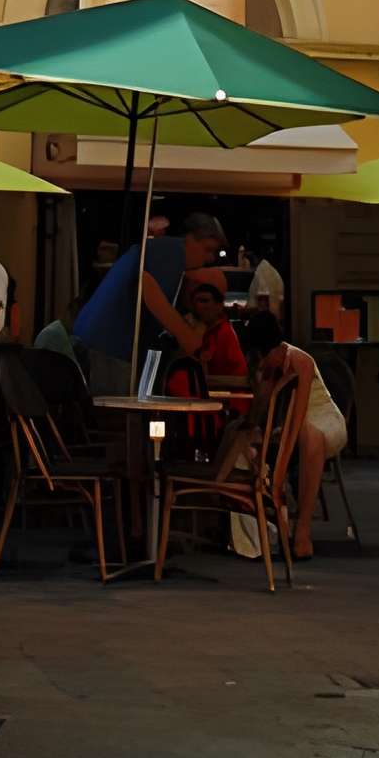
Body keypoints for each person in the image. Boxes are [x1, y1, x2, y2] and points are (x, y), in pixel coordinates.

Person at [73, 211, 226, 394]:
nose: (210, 258)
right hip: (109, 347)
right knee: (115, 408)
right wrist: (187, 337)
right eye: (207, 249)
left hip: (103, 345)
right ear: (190, 238)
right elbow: (149, 290)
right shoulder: (170, 252)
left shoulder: (167, 260)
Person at [243, 311, 348, 561]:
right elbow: (258, 413)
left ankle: (303, 528)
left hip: (323, 418)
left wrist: (279, 475)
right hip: (291, 425)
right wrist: (261, 382)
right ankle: (254, 531)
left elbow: (299, 416)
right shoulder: (268, 368)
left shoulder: (300, 361)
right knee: (247, 438)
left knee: (310, 435)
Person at [172, 268, 248, 388]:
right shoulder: (197, 329)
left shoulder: (224, 332)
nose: (199, 306)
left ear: (219, 305)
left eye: (205, 301)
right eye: (196, 302)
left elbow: (237, 375)